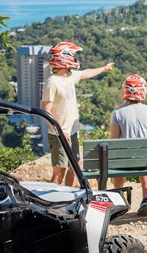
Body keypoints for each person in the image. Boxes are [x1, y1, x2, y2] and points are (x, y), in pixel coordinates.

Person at [42, 41, 114, 186]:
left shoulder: (70, 75)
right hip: (59, 135)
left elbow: (86, 73)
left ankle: (68, 198)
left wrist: (103, 68)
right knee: (59, 173)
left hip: (73, 132)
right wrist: (60, 131)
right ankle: (48, 204)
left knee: (75, 167)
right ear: (62, 59)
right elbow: (45, 113)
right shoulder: (52, 82)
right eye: (71, 56)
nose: (74, 59)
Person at [110, 74, 147, 216]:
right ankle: (145, 198)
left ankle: (119, 199)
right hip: (145, 161)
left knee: (117, 160)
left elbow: (113, 141)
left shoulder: (118, 113)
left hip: (124, 161)